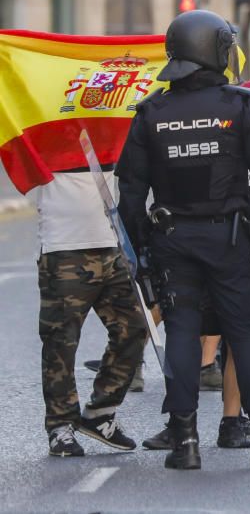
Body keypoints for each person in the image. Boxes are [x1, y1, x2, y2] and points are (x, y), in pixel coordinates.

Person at [116, 9, 250, 470]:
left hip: (172, 240)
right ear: (214, 51)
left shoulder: (151, 113)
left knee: (181, 333)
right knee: (243, 334)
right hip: (229, 239)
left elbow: (130, 197)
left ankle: (184, 443)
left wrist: (143, 252)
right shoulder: (237, 107)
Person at [33, 170, 146, 457]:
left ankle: (101, 411)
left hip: (110, 244)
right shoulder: (44, 125)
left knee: (134, 327)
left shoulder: (106, 124)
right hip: (63, 247)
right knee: (61, 341)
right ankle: (60, 425)